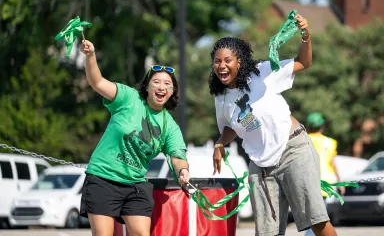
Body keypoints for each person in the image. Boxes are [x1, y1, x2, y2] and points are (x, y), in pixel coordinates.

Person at [209, 14, 337, 236]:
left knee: (316, 220)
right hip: (261, 166)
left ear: (239, 61)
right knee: (266, 233)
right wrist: (219, 144)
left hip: (292, 150)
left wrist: (306, 36)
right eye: (217, 61)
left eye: (227, 60)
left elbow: (303, 62)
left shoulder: (262, 73)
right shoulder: (221, 98)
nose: (222, 66)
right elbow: (232, 127)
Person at [79, 40, 190, 236]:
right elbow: (97, 82)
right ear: (147, 87)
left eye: (167, 84)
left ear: (172, 92)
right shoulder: (128, 98)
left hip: (135, 185)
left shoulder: (170, 126)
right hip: (103, 178)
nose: (161, 87)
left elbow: (177, 155)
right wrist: (90, 56)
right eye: (156, 82)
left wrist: (182, 171)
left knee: (141, 233)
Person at [304, 112, 345, 236]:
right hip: (325, 185)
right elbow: (333, 163)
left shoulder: (303, 139)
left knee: (312, 218)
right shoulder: (330, 142)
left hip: (307, 184)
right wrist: (340, 182)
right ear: (322, 126)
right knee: (320, 219)